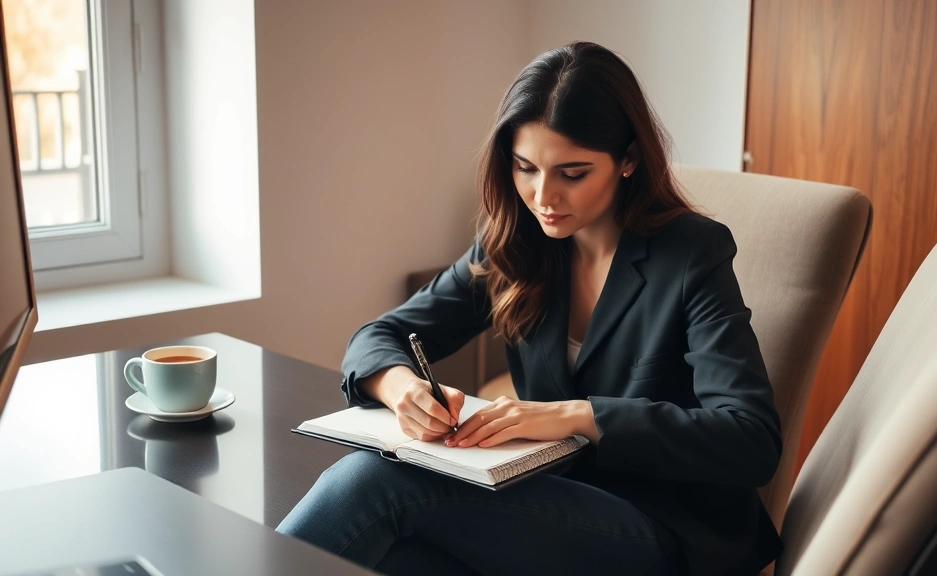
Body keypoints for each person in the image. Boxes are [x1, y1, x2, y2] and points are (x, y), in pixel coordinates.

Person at [277, 41, 783, 576]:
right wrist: (403, 390)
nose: (544, 196)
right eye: (525, 168)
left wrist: (575, 416)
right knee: (397, 557)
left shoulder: (690, 253)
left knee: (375, 485)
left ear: (628, 159)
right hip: (544, 504)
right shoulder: (513, 246)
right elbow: (381, 334)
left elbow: (750, 438)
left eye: (572, 173)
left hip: (663, 528)